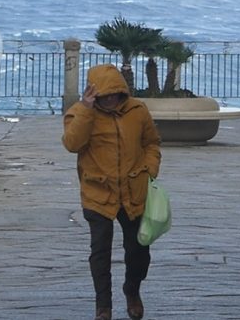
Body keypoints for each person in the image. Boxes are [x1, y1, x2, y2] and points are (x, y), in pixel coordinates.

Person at [62, 64, 161, 320]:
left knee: (139, 250)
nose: (112, 100)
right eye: (106, 96)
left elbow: (151, 143)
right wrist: (86, 109)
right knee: (100, 252)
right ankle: (103, 306)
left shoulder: (137, 111)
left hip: (133, 190)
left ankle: (132, 289)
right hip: (98, 192)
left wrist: (150, 169)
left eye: (116, 95)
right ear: (95, 93)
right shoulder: (79, 113)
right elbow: (72, 144)